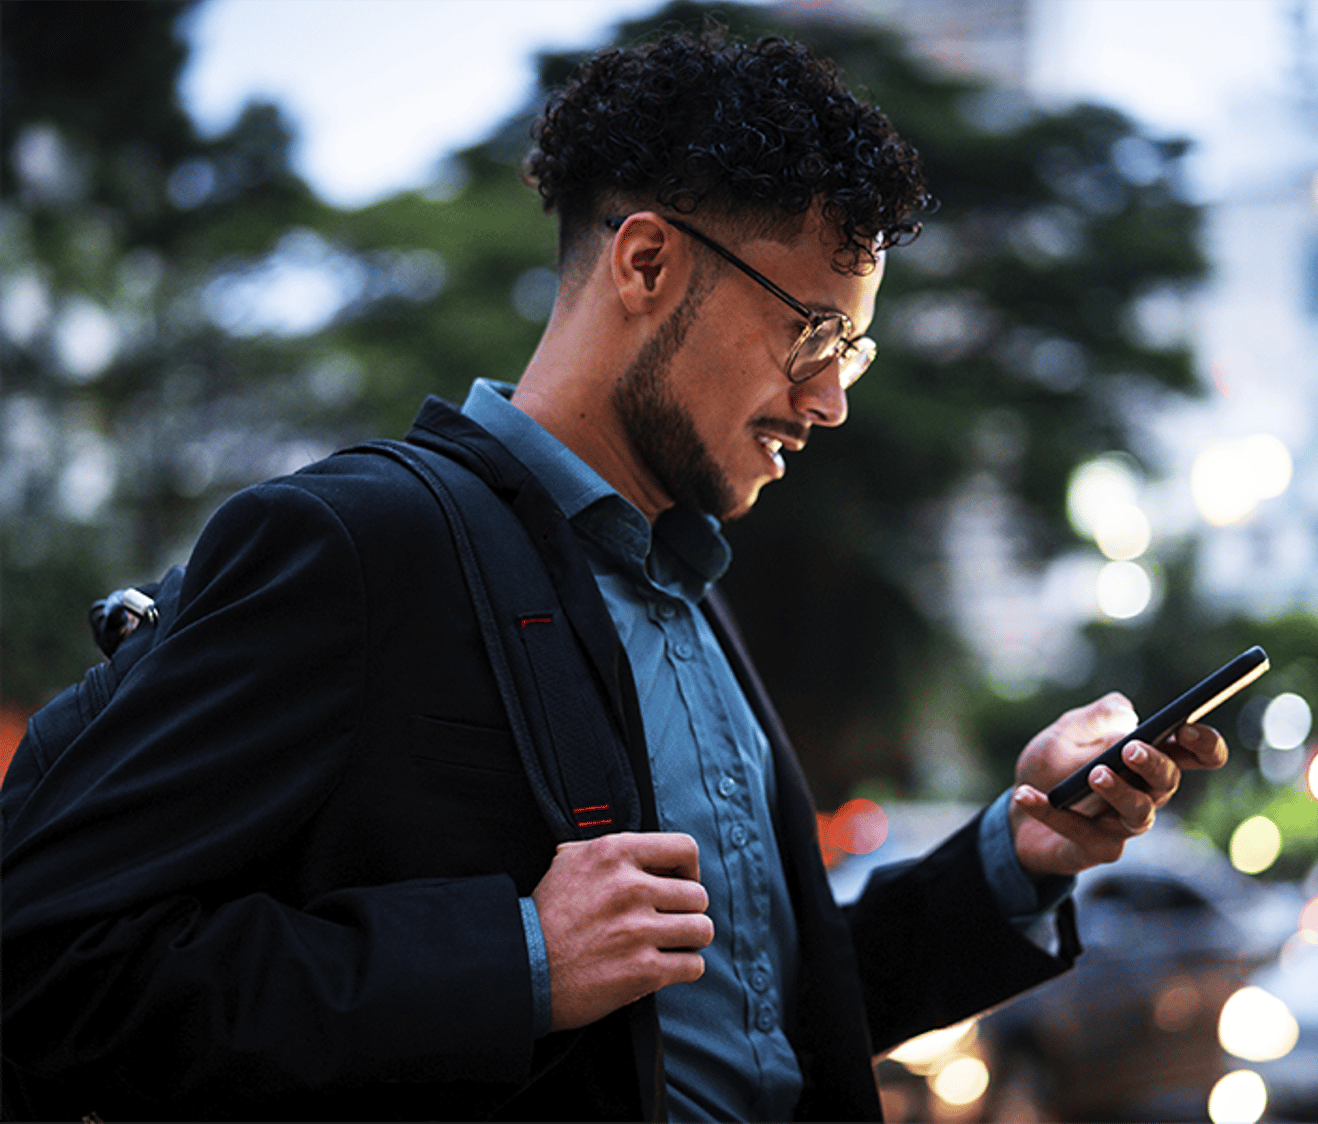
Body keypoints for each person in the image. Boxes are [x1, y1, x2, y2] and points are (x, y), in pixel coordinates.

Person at [0, 28, 1227, 1122]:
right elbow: (49, 964)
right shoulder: (358, 543)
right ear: (646, 263)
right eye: (811, 331)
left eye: (852, 345)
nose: (833, 396)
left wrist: (1019, 858)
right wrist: (515, 957)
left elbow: (761, 1020)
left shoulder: (681, 586)